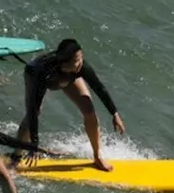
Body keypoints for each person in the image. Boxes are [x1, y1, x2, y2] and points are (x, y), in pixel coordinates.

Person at [12, 38, 126, 172]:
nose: (80, 63)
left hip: (68, 79)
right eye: (76, 61)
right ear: (64, 63)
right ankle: (16, 155)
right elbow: (32, 109)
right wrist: (34, 144)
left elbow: (99, 88)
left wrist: (114, 114)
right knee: (35, 112)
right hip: (37, 76)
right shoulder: (41, 72)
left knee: (88, 108)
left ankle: (97, 156)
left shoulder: (80, 67)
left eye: (81, 58)